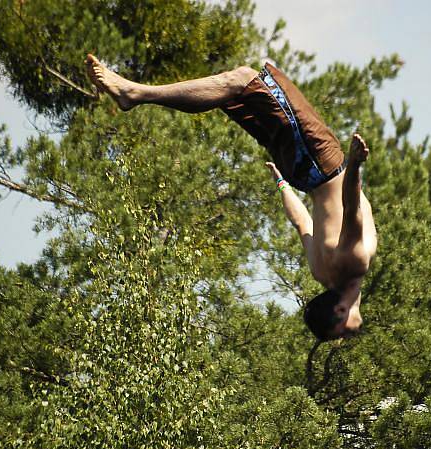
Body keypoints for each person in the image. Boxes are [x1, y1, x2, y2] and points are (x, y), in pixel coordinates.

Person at [86, 55, 377, 340]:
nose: (346, 337)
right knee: (235, 89)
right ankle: (136, 93)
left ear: (339, 309)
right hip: (302, 175)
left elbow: (352, 209)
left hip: (320, 161)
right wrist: (282, 183)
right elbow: (301, 222)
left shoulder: (354, 263)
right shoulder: (322, 274)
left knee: (241, 81)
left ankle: (134, 93)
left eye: (341, 332)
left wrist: (354, 164)